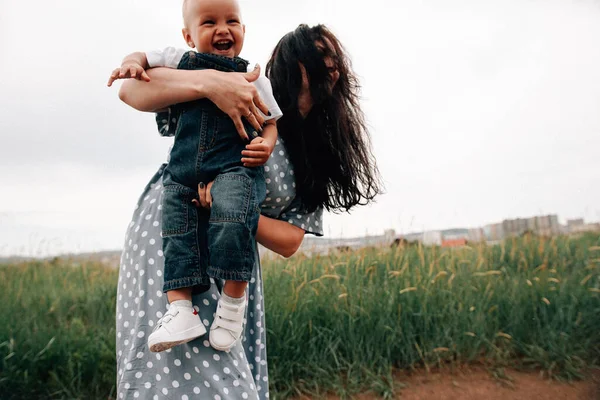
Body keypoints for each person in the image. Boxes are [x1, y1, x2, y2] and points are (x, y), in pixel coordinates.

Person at [115, 23, 380, 399]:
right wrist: (209, 84)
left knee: (226, 376)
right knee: (176, 368)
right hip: (177, 236)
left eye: (334, 57)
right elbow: (130, 89)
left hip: (232, 258)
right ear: (292, 63)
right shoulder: (241, 95)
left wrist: (233, 208)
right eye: (319, 55)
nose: (331, 64)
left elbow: (290, 241)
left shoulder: (315, 149)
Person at [109, 0, 283, 354]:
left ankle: (233, 302)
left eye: (232, 20)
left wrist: (265, 145)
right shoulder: (179, 62)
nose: (223, 29)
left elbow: (270, 123)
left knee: (233, 218)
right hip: (183, 171)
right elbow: (141, 58)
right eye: (209, 22)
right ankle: (179, 308)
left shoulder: (252, 75)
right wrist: (131, 62)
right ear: (188, 35)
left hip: (235, 167)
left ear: (244, 31)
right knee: (175, 230)